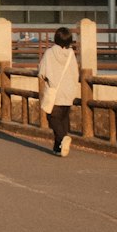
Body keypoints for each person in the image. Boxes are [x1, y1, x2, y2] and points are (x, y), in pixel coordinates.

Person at [38, 26, 78, 156]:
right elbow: (75, 73)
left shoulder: (50, 53)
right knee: (63, 117)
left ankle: (62, 137)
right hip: (69, 90)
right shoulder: (71, 54)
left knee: (52, 118)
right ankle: (58, 147)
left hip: (55, 91)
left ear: (56, 38)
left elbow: (42, 72)